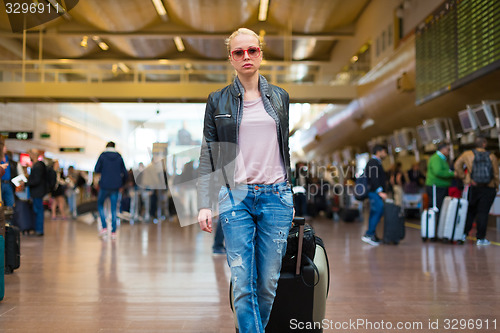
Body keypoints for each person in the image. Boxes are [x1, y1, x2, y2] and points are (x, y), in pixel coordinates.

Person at [197, 28, 294, 332]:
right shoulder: (217, 101)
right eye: (239, 52)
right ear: (231, 58)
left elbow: (283, 147)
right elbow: (208, 154)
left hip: (276, 195)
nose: (246, 56)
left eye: (252, 50)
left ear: (260, 53)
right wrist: (204, 203)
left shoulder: (280, 97)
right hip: (234, 195)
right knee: (242, 281)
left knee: (267, 283)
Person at [454, 136, 499, 245]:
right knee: (483, 213)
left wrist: (464, 178)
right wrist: (496, 185)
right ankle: (481, 238)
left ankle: (463, 234)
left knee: (470, 211)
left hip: (472, 186)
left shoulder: (467, 154)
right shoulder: (492, 156)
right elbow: (496, 173)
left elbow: (457, 165)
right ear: (484, 144)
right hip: (488, 188)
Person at [94, 142, 128, 239]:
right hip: (116, 187)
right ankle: (113, 232)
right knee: (114, 209)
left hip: (104, 186)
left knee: (100, 205)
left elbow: (96, 169)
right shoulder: (119, 157)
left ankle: (104, 227)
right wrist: (122, 183)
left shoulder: (102, 156)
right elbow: (125, 173)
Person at [425, 143, 455, 238]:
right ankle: (433, 233)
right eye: (448, 149)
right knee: (435, 208)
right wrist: (452, 174)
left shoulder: (442, 158)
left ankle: (438, 232)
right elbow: (437, 171)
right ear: (443, 149)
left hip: (441, 187)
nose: (449, 151)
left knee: (440, 208)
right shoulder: (436, 158)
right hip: (435, 187)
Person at [362, 144, 388, 246]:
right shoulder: (373, 162)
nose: (385, 154)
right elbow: (374, 178)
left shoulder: (376, 162)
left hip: (375, 192)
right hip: (374, 192)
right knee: (378, 210)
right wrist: (379, 191)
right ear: (379, 152)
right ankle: (369, 234)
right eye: (384, 152)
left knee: (375, 212)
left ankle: (372, 234)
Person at [25, 149, 47, 236]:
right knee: (38, 210)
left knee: (38, 210)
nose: (29, 157)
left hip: (37, 192)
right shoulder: (38, 166)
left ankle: (39, 230)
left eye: (30, 155)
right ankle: (38, 229)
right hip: (38, 192)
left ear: (34, 155)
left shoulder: (37, 166)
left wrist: (26, 183)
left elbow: (36, 180)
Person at [1, 143, 15, 208]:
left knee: (11, 203)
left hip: (8, 183)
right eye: (4, 147)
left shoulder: (8, 157)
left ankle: (8, 217)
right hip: (1, 183)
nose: (6, 148)